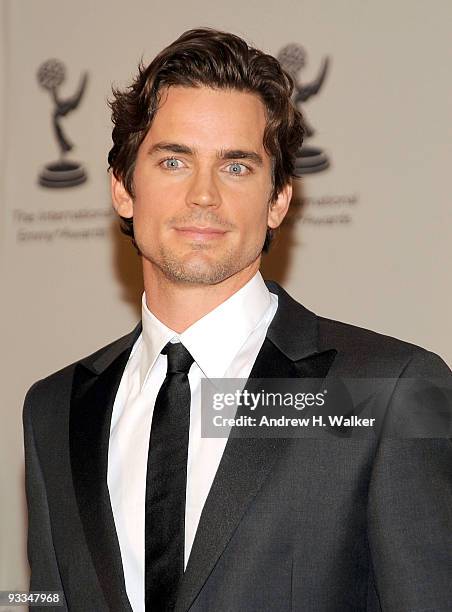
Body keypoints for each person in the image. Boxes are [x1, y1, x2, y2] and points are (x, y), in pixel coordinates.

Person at [23, 28, 451, 612]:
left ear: (279, 200)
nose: (203, 195)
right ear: (123, 188)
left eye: (236, 167)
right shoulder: (55, 407)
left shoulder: (392, 391)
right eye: (174, 161)